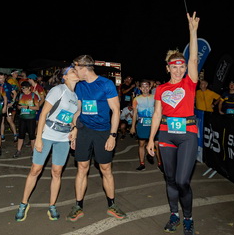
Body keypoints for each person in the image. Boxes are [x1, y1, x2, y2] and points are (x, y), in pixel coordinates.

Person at [147, 12, 200, 235]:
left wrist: (193, 31)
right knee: (169, 179)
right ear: (168, 68)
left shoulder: (190, 83)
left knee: (182, 181)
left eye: (181, 66)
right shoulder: (161, 89)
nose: (178, 70)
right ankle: (174, 215)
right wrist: (151, 139)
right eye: (174, 67)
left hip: (187, 134)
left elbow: (194, 59)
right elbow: (157, 113)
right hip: (166, 134)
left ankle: (188, 218)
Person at [14, 67, 80, 221]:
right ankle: (23, 203)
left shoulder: (75, 95)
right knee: (35, 169)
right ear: (65, 77)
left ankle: (52, 205)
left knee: (57, 172)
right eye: (72, 71)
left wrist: (74, 129)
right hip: (48, 133)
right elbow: (43, 113)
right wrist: (38, 138)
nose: (76, 72)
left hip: (63, 137)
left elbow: (72, 117)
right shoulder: (58, 90)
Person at [68, 55, 127, 221]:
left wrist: (113, 136)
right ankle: (78, 206)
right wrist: (74, 129)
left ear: (84, 68)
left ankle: (112, 205)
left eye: (76, 69)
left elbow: (116, 111)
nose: (75, 72)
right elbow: (78, 110)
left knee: (105, 168)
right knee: (82, 167)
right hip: (84, 130)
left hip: (103, 131)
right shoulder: (80, 86)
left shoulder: (106, 84)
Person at [130, 79, 162, 172]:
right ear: (140, 88)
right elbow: (135, 113)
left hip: (154, 124)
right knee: (141, 144)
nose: (145, 88)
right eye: (143, 86)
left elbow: (159, 111)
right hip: (142, 124)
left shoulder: (155, 98)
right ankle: (142, 164)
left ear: (150, 87)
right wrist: (132, 126)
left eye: (147, 86)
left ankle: (160, 164)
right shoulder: (136, 99)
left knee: (157, 144)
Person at [13, 81, 40, 158]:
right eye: (22, 89)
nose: (23, 90)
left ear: (29, 88)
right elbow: (19, 106)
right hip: (22, 118)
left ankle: (34, 152)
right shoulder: (21, 95)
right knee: (21, 135)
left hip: (31, 118)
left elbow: (37, 107)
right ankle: (18, 150)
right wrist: (19, 107)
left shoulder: (34, 96)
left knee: (32, 135)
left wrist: (27, 107)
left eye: (25, 89)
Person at [0, 72, 18, 142]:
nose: (1, 79)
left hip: (8, 106)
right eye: (0, 78)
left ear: (4, 78)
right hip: (0, 105)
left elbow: (15, 93)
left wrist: (12, 102)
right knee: (1, 121)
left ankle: (15, 135)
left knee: (10, 120)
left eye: (3, 78)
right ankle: (2, 136)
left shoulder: (8, 85)